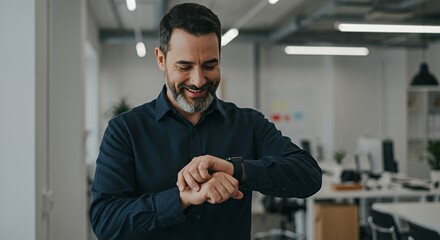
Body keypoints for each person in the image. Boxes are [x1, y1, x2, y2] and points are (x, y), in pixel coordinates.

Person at [89, 3, 322, 240]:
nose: (199, 80)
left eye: (210, 65)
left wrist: (235, 170)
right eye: (185, 66)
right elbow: (106, 221)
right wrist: (181, 199)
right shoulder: (125, 131)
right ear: (161, 59)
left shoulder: (248, 124)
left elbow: (308, 175)